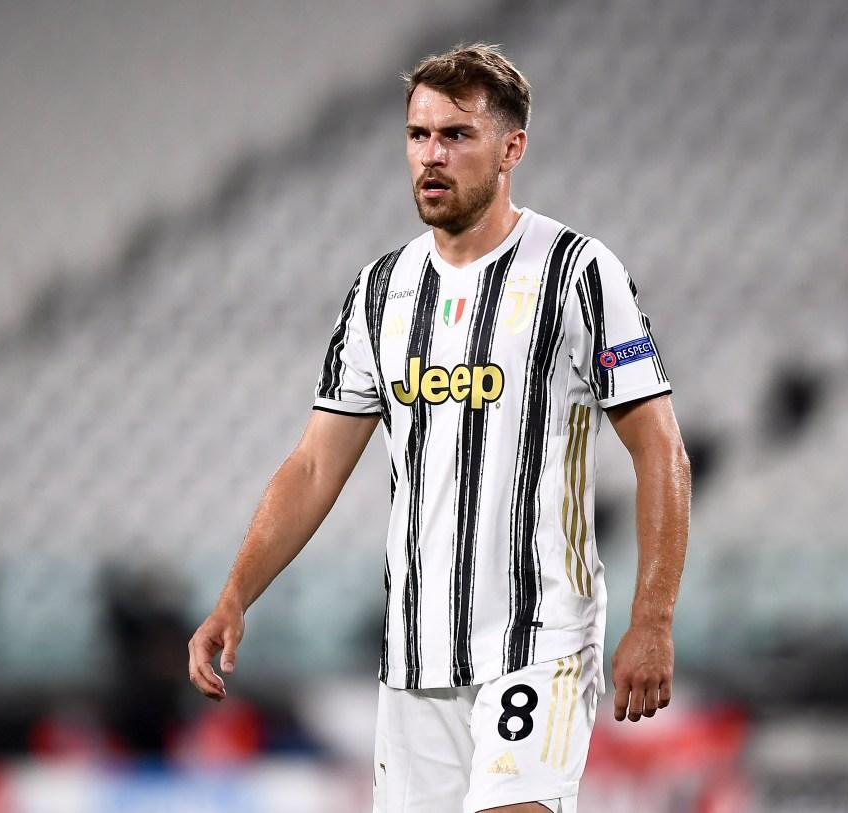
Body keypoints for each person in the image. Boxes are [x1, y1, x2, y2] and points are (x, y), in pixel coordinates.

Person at [188, 43, 691, 813]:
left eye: (456, 135)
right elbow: (316, 464)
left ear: (511, 148)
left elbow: (660, 450)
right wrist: (235, 594)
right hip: (414, 659)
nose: (432, 155)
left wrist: (651, 618)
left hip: (538, 642)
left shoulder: (578, 274)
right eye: (419, 135)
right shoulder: (380, 291)